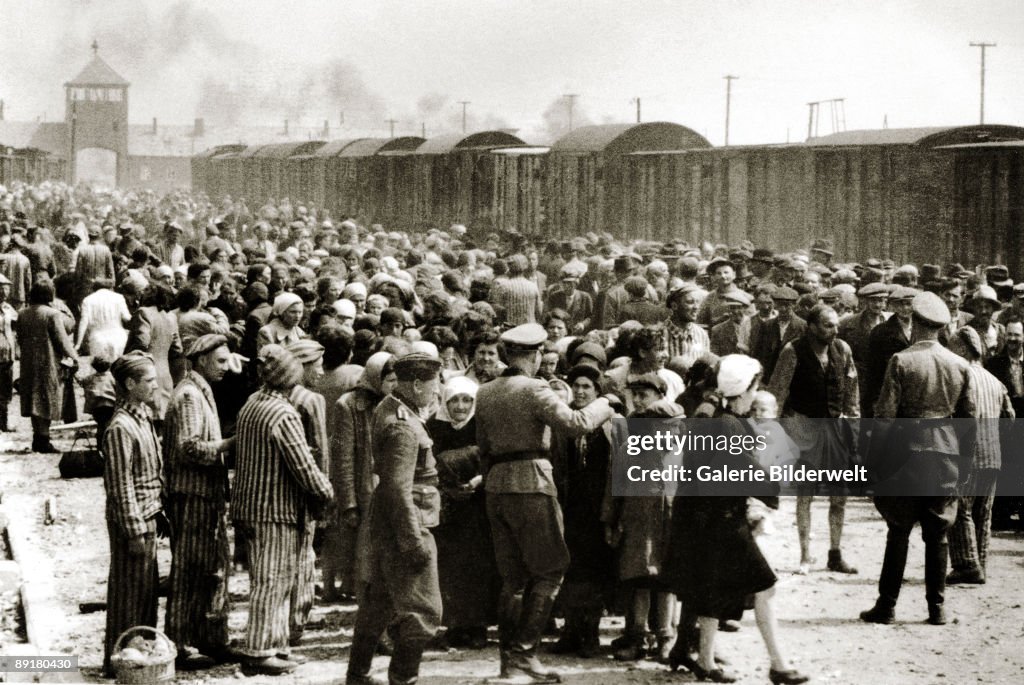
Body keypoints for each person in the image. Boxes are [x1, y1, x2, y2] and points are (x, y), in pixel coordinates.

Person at [475, 323, 615, 683]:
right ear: (536, 355)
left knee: (513, 579)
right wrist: (605, 403)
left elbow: (484, 448)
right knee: (551, 569)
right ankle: (523, 655)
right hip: (532, 485)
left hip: (497, 488)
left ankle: (510, 662)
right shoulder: (535, 387)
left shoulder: (486, 391)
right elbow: (576, 423)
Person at [664, 354, 809, 684]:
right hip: (725, 522)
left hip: (703, 521)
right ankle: (778, 664)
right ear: (744, 389)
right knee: (766, 586)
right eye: (754, 388)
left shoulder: (711, 416)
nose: (754, 396)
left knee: (713, 591)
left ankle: (705, 660)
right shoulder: (731, 426)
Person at [861, 292, 976, 627]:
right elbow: (969, 421)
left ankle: (887, 605)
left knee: (898, 532)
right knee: (937, 535)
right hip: (944, 456)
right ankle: (936, 608)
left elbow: (883, 417)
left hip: (904, 454)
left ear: (917, 324)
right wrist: (964, 465)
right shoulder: (959, 365)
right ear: (940, 328)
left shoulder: (901, 361)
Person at [232, 344, 334, 676]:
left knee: (269, 579)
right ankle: (260, 649)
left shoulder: (252, 404)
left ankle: (274, 645)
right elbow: (303, 466)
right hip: (275, 510)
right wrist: (326, 491)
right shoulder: (283, 413)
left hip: (250, 505)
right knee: (272, 582)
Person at [345, 352, 444, 685]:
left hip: (390, 525)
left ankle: (357, 676)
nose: (437, 390)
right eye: (434, 383)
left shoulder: (390, 407)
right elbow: (398, 489)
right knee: (424, 612)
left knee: (379, 604)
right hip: (408, 524)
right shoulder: (403, 425)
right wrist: (413, 542)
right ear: (416, 384)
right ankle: (403, 679)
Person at [769, 305, 860, 575]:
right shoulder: (792, 352)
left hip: (835, 430)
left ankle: (835, 553)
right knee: (805, 495)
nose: (834, 330)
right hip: (804, 430)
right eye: (828, 325)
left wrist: (853, 434)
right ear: (811, 326)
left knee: (839, 496)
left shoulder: (842, 350)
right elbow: (777, 393)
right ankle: (805, 556)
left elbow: (852, 395)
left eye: (835, 325)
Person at [164, 335, 236, 667]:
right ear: (202, 360)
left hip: (204, 494)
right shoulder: (190, 396)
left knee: (211, 569)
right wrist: (229, 445)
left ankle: (208, 637)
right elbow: (190, 447)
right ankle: (179, 644)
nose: (227, 367)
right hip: (191, 495)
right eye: (221, 361)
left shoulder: (200, 390)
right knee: (189, 571)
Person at [102, 351, 168, 676]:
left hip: (149, 516)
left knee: (145, 593)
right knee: (127, 596)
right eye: (149, 381)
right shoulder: (120, 428)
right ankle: (119, 663)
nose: (156, 386)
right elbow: (120, 486)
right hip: (135, 523)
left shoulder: (142, 415)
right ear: (130, 384)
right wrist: (135, 532)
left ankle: (138, 657)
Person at [425, 375, 497, 650]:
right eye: (454, 400)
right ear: (445, 401)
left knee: (479, 565)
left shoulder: (483, 426)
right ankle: (455, 625)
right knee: (451, 567)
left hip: (478, 507)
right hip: (449, 507)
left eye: (467, 400)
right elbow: (429, 463)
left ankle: (478, 626)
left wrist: (478, 481)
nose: (461, 406)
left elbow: (492, 459)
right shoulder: (435, 426)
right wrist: (449, 487)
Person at [947, 326, 1013, 584]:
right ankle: (981, 563)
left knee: (960, 507)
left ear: (963, 348)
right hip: (992, 453)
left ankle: (966, 564)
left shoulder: (961, 376)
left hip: (968, 454)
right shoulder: (995, 381)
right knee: (984, 513)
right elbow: (1010, 418)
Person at [329, 352, 396, 600]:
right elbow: (342, 458)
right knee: (365, 555)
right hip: (364, 490)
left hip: (390, 487)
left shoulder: (397, 405)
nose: (394, 385)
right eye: (390, 380)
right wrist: (348, 502)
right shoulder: (348, 405)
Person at [284, 339, 330, 644]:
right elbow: (321, 450)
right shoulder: (310, 399)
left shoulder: (279, 395)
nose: (322, 372)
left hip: (284, 485)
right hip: (308, 483)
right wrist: (324, 493)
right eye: (317, 366)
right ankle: (297, 620)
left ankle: (290, 618)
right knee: (304, 554)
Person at [15, 280, 78, 452]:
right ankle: (44, 440)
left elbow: (20, 337)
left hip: (28, 362)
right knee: (47, 398)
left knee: (33, 398)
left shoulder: (22, 313)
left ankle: (38, 437)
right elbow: (62, 340)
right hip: (48, 361)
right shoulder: (52, 314)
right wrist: (74, 357)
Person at [0, 274, 16, 431]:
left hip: (7, 352)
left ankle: (3, 423)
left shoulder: (8, 308)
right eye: (1, 288)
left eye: (6, 288)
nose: (4, 292)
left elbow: (18, 323)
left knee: (5, 389)